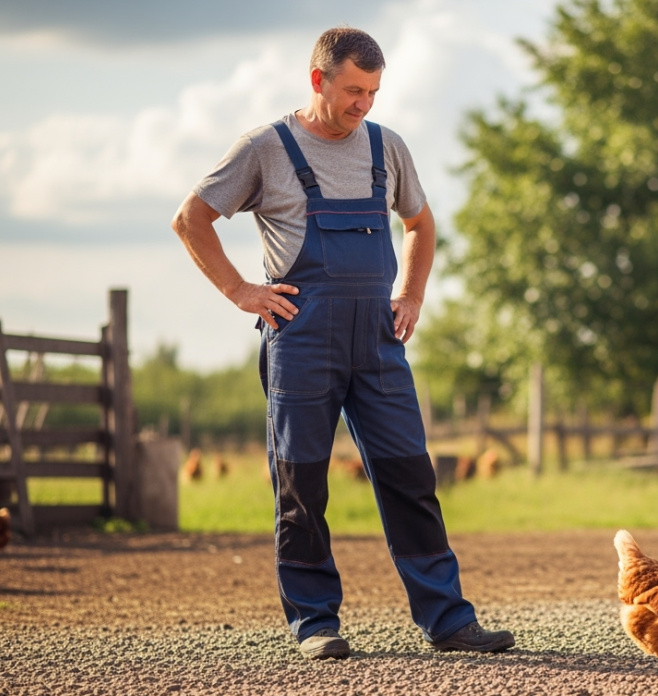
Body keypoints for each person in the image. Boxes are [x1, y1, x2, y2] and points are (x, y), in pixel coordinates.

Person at [171, 27, 515, 660]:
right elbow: (190, 219)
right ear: (317, 80)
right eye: (354, 89)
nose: (364, 104)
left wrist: (410, 296)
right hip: (300, 341)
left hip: (379, 344)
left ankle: (448, 620)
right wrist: (243, 292)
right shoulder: (264, 149)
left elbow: (420, 222)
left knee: (412, 475)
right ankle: (314, 623)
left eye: (374, 92)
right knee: (302, 482)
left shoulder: (388, 147)